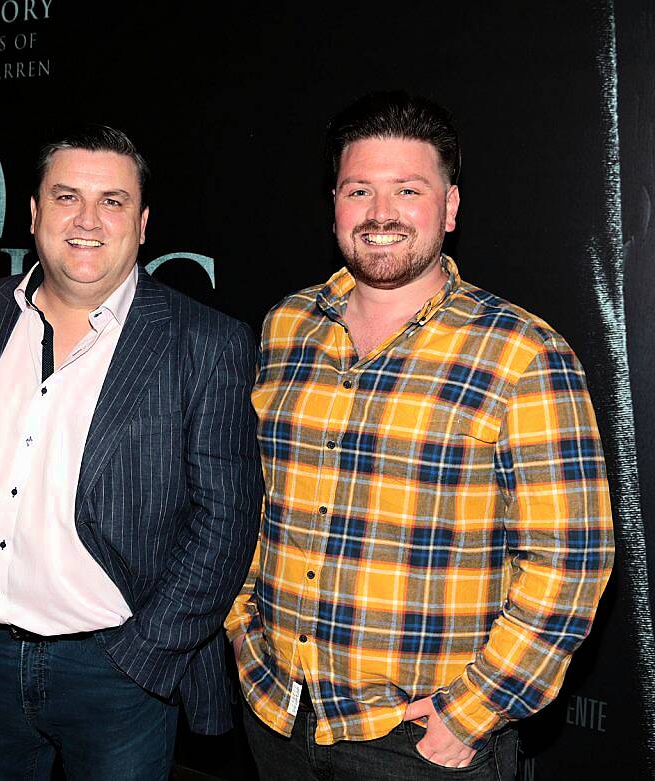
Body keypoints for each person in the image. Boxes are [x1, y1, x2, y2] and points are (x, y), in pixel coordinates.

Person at [226, 92, 614, 780]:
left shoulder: (522, 352)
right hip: (277, 712)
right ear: (336, 203)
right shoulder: (286, 325)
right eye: (359, 190)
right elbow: (252, 498)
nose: (381, 214)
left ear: (451, 206)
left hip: (415, 740)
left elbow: (571, 558)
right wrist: (240, 624)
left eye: (408, 190)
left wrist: (472, 712)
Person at [0, 124, 263, 779]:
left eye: (113, 201)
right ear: (35, 213)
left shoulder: (204, 343)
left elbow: (226, 521)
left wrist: (144, 654)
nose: (88, 219)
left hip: (116, 673)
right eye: (67, 197)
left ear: (143, 222)